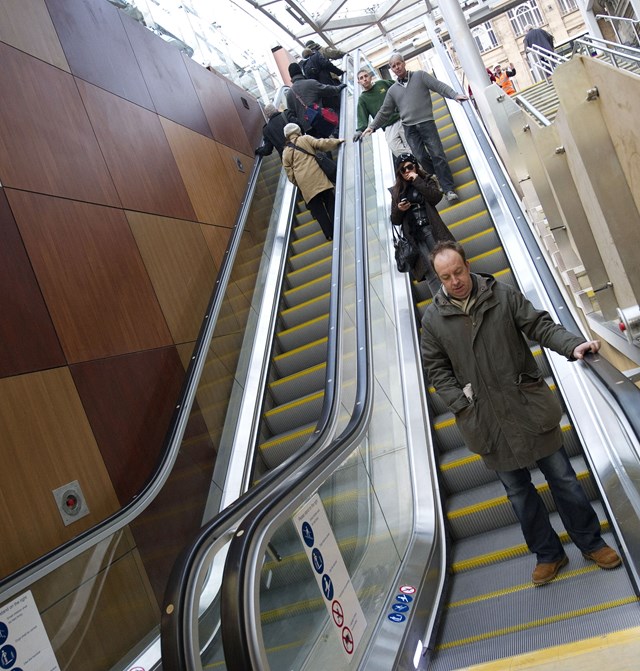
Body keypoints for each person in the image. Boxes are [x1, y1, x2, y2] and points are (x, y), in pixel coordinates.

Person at [420, 241, 622, 586]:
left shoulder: (502, 295)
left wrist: (573, 345)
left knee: (563, 480)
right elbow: (435, 368)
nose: (454, 281)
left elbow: (539, 326)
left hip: (527, 407)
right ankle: (548, 555)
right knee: (518, 493)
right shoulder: (433, 320)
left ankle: (590, 543)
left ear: (467, 266)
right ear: (438, 280)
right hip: (486, 421)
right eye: (446, 277)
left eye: (458, 272)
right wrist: (460, 401)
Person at [361, 53, 468, 203]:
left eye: (398, 64)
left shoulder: (420, 76)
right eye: (393, 66)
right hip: (409, 128)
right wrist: (372, 126)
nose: (396, 67)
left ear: (403, 63)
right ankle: (435, 176)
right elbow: (384, 111)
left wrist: (454, 95)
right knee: (419, 157)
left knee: (437, 154)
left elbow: (439, 86)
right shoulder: (393, 90)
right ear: (391, 69)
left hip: (426, 123)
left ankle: (448, 188)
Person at [390, 154, 455, 294]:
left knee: (447, 262)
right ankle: (442, 303)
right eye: (403, 169)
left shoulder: (426, 180)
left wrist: (417, 180)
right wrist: (400, 210)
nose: (407, 171)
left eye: (409, 167)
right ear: (399, 173)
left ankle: (456, 292)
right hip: (415, 238)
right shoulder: (396, 191)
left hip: (432, 230)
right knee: (430, 272)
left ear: (415, 166)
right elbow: (394, 219)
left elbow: (436, 197)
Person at [282, 123, 344, 240]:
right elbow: (321, 143)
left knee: (318, 210)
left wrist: (299, 182)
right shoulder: (305, 139)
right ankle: (338, 226)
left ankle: (330, 234)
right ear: (298, 130)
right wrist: (337, 141)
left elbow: (290, 175)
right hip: (318, 177)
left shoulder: (286, 152)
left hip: (305, 185)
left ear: (287, 136)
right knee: (329, 201)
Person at [353, 69, 410, 158]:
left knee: (412, 145)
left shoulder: (382, 84)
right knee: (395, 148)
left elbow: (399, 86)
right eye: (361, 78)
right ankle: (412, 166)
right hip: (387, 126)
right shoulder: (362, 99)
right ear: (358, 82)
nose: (364, 79)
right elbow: (362, 117)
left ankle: (423, 169)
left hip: (401, 119)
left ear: (370, 77)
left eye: (366, 76)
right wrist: (359, 130)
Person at [286, 63, 346, 138]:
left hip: (307, 128)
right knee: (327, 140)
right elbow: (328, 90)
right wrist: (339, 87)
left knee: (318, 145)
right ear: (300, 71)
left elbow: (291, 114)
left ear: (291, 76)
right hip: (320, 119)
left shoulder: (289, 94)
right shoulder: (310, 83)